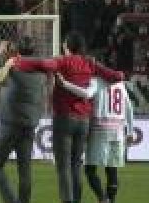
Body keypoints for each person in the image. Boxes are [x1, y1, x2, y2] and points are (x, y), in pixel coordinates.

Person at [5, 32, 125, 203]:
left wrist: (17, 61)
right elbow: (118, 76)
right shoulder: (89, 62)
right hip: (84, 121)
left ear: (67, 46)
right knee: (76, 165)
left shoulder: (62, 61)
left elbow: (41, 64)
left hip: (64, 118)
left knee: (63, 168)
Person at [0, 39, 48, 203]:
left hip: (10, 124)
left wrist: (1, 55)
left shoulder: (14, 67)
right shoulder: (41, 70)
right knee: (25, 170)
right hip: (30, 124)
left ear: (17, 51)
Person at [54, 73, 134, 203]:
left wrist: (65, 84)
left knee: (90, 169)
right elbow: (129, 107)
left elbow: (86, 94)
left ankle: (102, 199)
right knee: (112, 169)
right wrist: (130, 131)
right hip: (118, 130)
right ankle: (111, 200)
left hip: (101, 128)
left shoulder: (97, 81)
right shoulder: (120, 84)